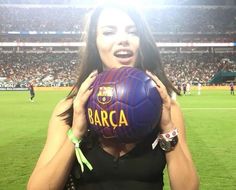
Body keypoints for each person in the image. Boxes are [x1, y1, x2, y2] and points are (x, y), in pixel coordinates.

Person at [27, 3, 199, 190]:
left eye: (132, 32)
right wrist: (76, 133)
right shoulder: (70, 108)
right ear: (95, 42)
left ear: (140, 42)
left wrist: (167, 127)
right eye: (109, 32)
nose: (123, 39)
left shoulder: (166, 108)